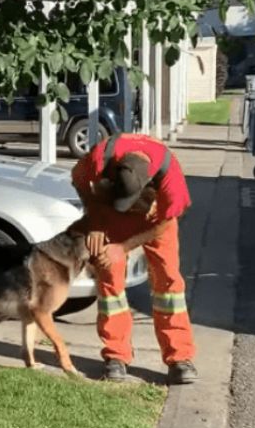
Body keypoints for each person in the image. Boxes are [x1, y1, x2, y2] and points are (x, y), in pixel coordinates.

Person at [70, 133, 196, 384]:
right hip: (111, 214)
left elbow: (168, 220)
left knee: (168, 282)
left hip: (156, 219)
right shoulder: (100, 156)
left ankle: (179, 357)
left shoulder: (170, 174)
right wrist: (95, 222)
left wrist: (124, 246)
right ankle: (116, 356)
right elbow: (78, 178)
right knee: (109, 277)